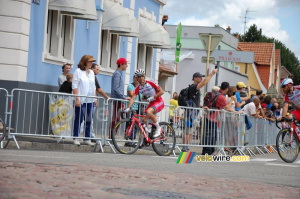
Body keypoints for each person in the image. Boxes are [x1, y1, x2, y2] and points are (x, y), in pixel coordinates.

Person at [182, 69, 218, 152]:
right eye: (200, 77)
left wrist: (202, 106)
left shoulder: (196, 88)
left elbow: (194, 101)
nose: (201, 78)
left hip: (193, 112)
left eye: (202, 77)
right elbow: (204, 83)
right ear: (195, 78)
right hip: (189, 113)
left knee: (191, 130)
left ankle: (187, 147)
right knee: (187, 130)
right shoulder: (194, 87)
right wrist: (212, 74)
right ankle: (184, 147)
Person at [125, 69, 164, 138]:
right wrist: (128, 108)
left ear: (144, 76)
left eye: (142, 76)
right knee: (143, 120)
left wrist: (153, 97)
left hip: (159, 101)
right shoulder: (138, 88)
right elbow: (133, 98)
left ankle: (159, 128)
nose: (141, 78)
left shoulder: (151, 82)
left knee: (149, 112)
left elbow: (161, 92)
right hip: (152, 103)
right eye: (139, 77)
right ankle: (147, 137)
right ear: (136, 78)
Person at [72, 55, 97, 146]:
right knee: (79, 118)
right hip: (82, 99)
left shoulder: (91, 73)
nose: (91, 64)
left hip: (90, 100)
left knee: (89, 119)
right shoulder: (78, 72)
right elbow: (74, 85)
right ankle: (76, 137)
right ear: (85, 62)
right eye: (90, 62)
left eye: (92, 62)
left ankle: (86, 138)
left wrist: (95, 98)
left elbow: (94, 86)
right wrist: (77, 98)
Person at [202, 82, 229, 155]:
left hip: (209, 116)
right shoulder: (221, 97)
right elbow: (227, 108)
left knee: (208, 134)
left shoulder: (216, 94)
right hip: (214, 118)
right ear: (226, 89)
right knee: (212, 135)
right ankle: (208, 151)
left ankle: (207, 151)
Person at [110, 58, 130, 137]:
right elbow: (116, 88)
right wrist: (123, 98)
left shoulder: (119, 73)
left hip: (119, 100)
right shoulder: (117, 74)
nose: (127, 66)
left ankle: (112, 136)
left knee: (118, 118)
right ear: (121, 64)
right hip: (118, 99)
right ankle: (112, 137)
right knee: (116, 119)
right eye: (125, 64)